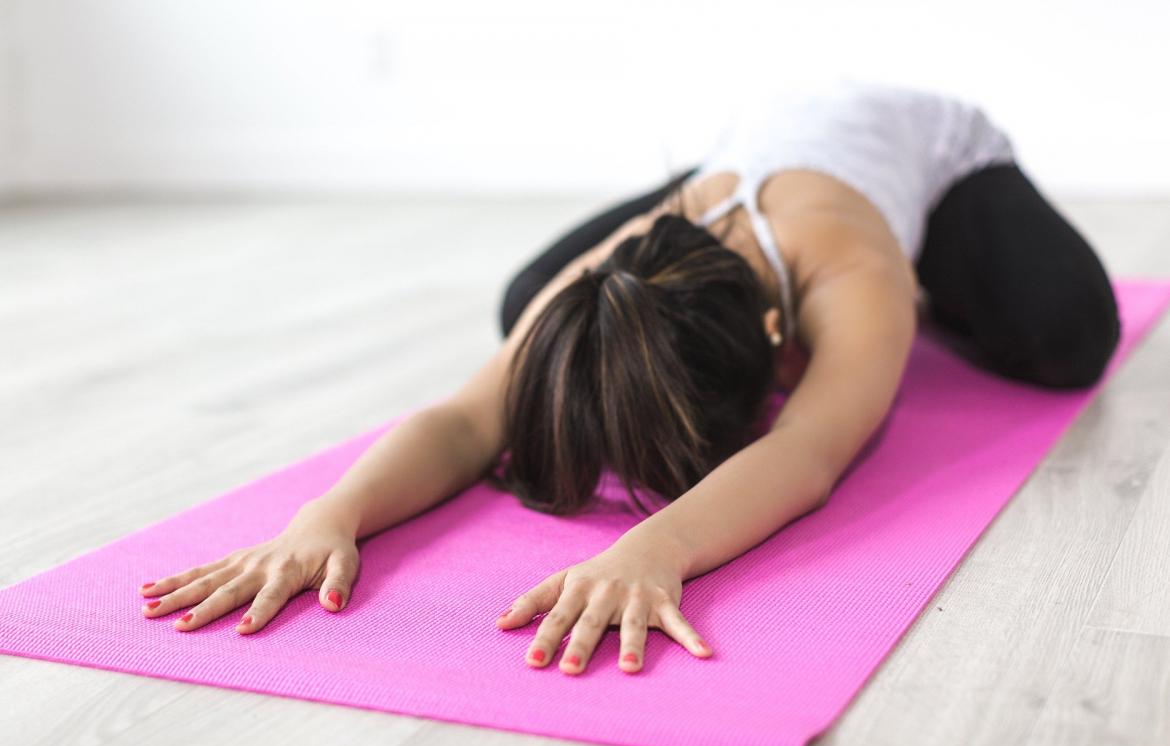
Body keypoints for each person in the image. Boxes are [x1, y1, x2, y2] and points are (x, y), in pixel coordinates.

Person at [138, 79, 1121, 676]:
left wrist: (655, 548)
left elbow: (811, 450)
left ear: (785, 345)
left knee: (1070, 336)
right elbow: (464, 420)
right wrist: (327, 515)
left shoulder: (854, 275)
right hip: (744, 160)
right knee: (535, 305)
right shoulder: (621, 263)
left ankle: (948, 281)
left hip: (929, 158)